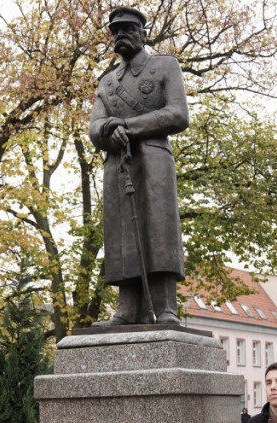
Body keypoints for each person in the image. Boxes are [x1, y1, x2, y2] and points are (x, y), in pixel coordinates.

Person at [88, 6, 189, 326]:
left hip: (154, 159)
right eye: (115, 32)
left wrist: (127, 128)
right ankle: (128, 308)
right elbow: (94, 127)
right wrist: (106, 130)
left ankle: (166, 307)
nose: (120, 36)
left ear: (143, 33)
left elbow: (177, 114)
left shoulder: (164, 66)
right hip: (117, 163)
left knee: (159, 229)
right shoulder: (106, 83)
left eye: (128, 29)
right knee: (121, 234)